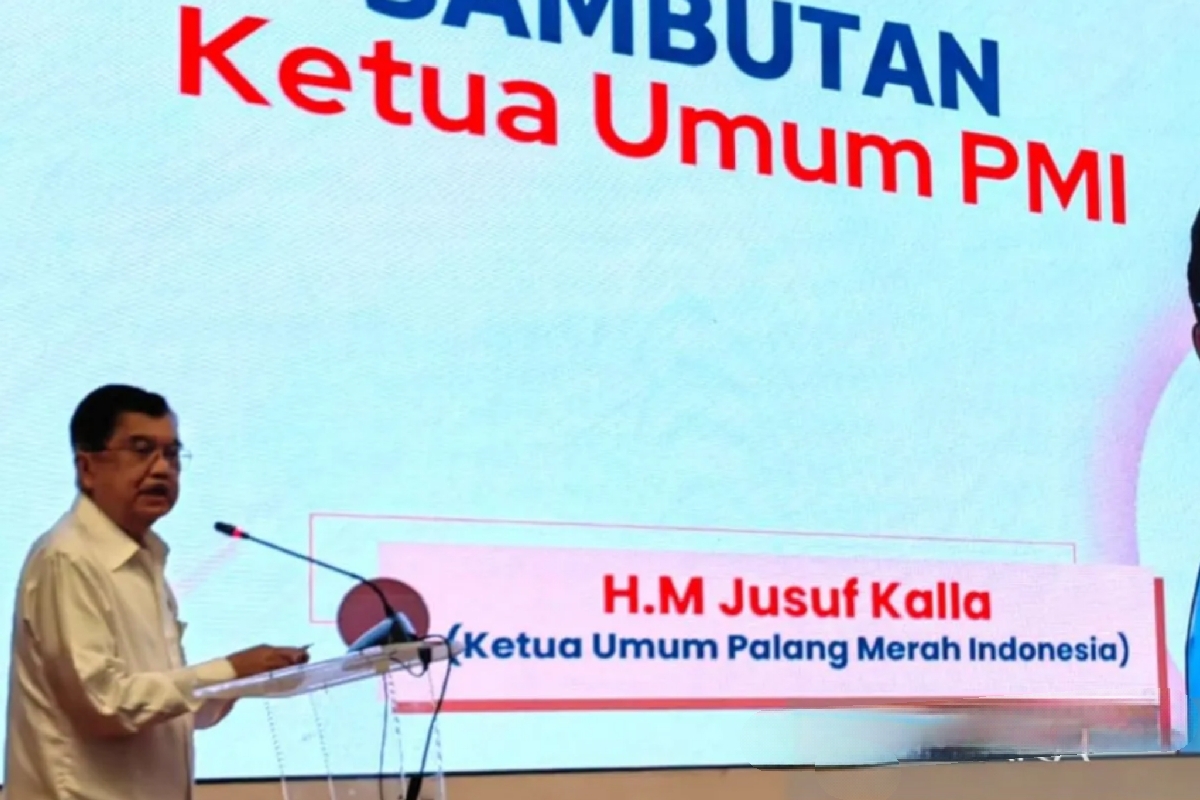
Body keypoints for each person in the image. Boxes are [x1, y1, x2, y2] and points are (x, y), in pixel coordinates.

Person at [4, 384, 311, 800]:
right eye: (142, 450)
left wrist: (242, 681)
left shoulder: (144, 559)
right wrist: (227, 670)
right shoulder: (68, 558)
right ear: (87, 468)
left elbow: (167, 709)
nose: (163, 469)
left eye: (172, 454)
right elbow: (104, 704)